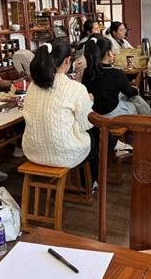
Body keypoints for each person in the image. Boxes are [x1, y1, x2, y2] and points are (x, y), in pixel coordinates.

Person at [22, 40, 98, 179]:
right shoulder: (76, 88)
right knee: (93, 137)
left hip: (32, 152)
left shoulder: (32, 86)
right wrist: (89, 101)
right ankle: (91, 182)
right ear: (67, 60)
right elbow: (86, 124)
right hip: (64, 155)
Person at [82, 36, 151, 117]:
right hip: (112, 114)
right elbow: (130, 93)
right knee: (135, 100)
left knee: (125, 96)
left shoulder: (87, 71)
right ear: (109, 53)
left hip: (94, 113)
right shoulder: (116, 73)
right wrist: (136, 90)